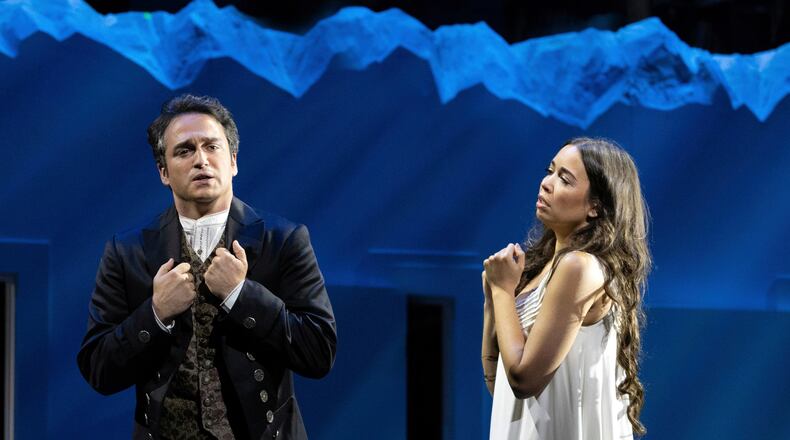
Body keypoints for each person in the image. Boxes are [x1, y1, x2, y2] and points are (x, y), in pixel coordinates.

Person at [77, 94, 337, 440]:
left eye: (211, 147)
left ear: (232, 161)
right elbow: (99, 370)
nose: (201, 160)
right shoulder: (128, 251)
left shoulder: (284, 240)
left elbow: (318, 353)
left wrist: (241, 295)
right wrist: (155, 314)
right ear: (164, 172)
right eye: (184, 150)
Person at [481, 137, 650, 439]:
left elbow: (524, 380)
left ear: (595, 207)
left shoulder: (580, 267)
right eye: (550, 171)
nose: (546, 183)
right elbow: (501, 384)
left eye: (564, 179)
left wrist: (502, 292)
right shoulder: (545, 269)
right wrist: (494, 299)